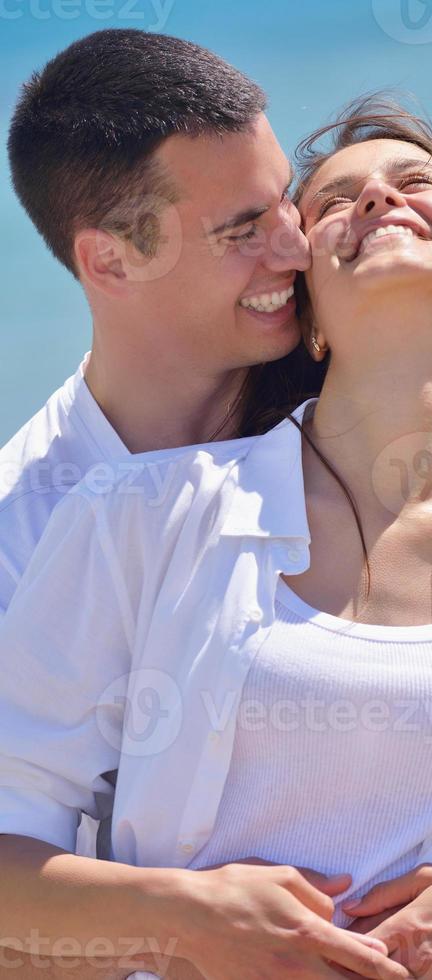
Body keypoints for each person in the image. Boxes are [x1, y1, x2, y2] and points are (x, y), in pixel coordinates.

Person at [0, 97, 432, 980]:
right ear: (305, 314)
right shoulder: (139, 514)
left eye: (415, 182)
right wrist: (181, 921)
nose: (378, 200)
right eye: (336, 203)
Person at [1, 25, 309, 885]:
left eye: (287, 199)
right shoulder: (18, 539)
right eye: (243, 229)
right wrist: (189, 931)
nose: (296, 247)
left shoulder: (358, 391)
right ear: (109, 260)